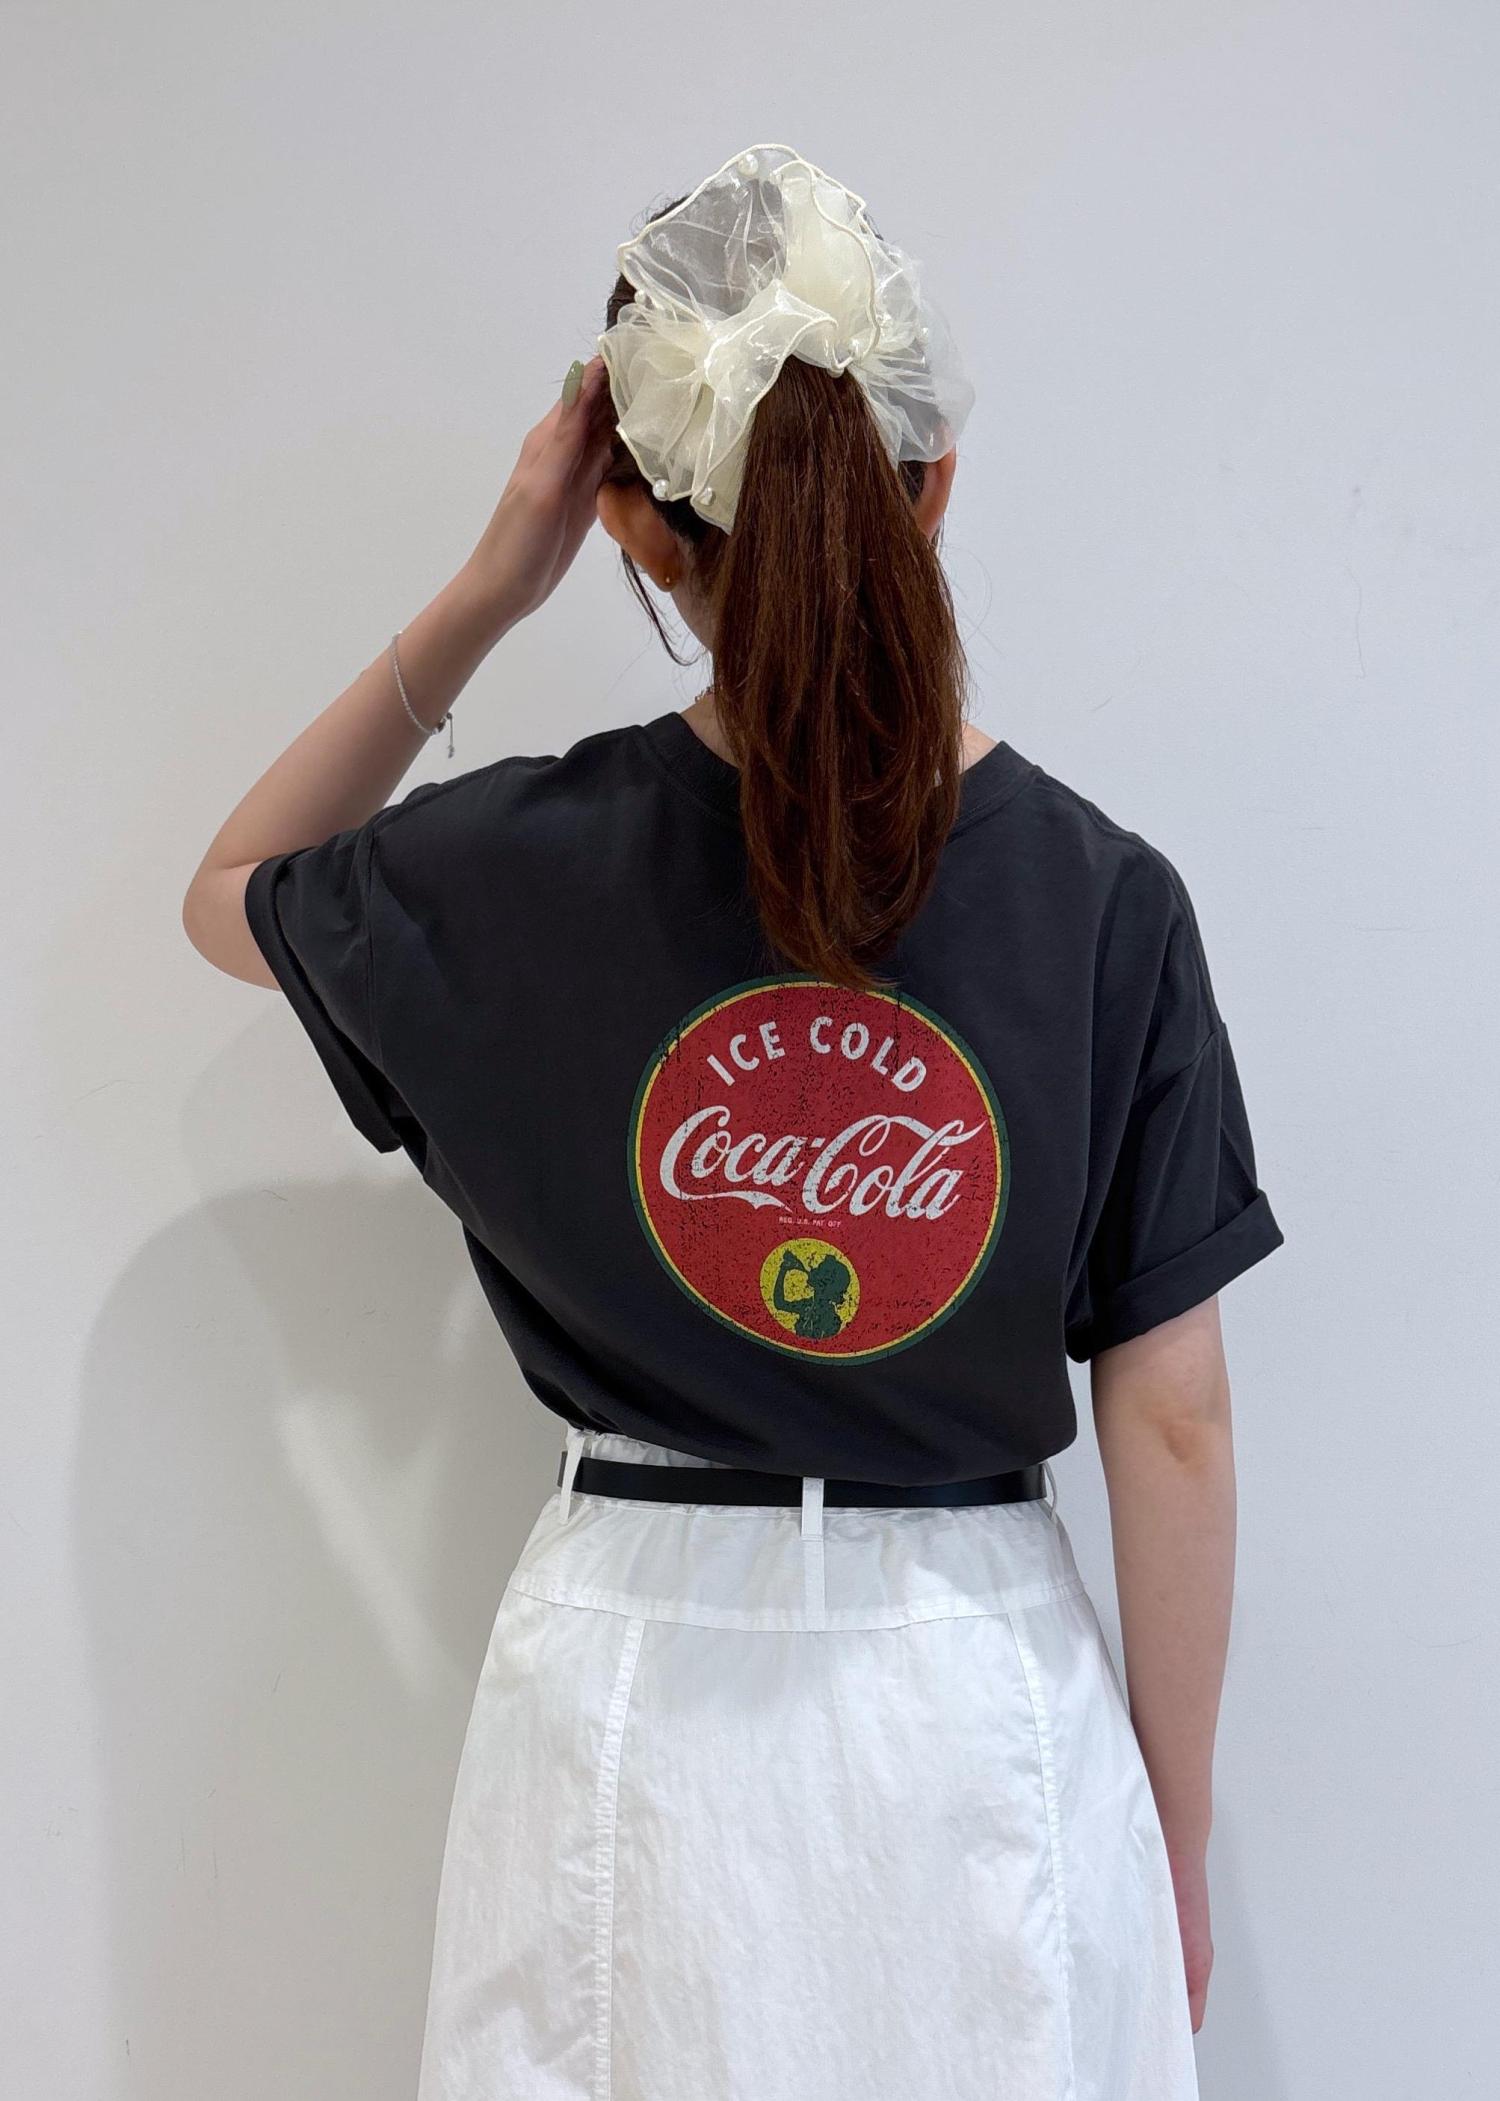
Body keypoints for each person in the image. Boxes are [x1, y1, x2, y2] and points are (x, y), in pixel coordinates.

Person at [182, 144, 1283, 2101]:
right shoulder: (1106, 900)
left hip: (636, 1701)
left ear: (629, 510)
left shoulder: (514, 870)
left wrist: (492, 584)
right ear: (932, 480)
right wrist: (1172, 1831)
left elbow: (229, 892)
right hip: (972, 1700)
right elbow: (1174, 1417)